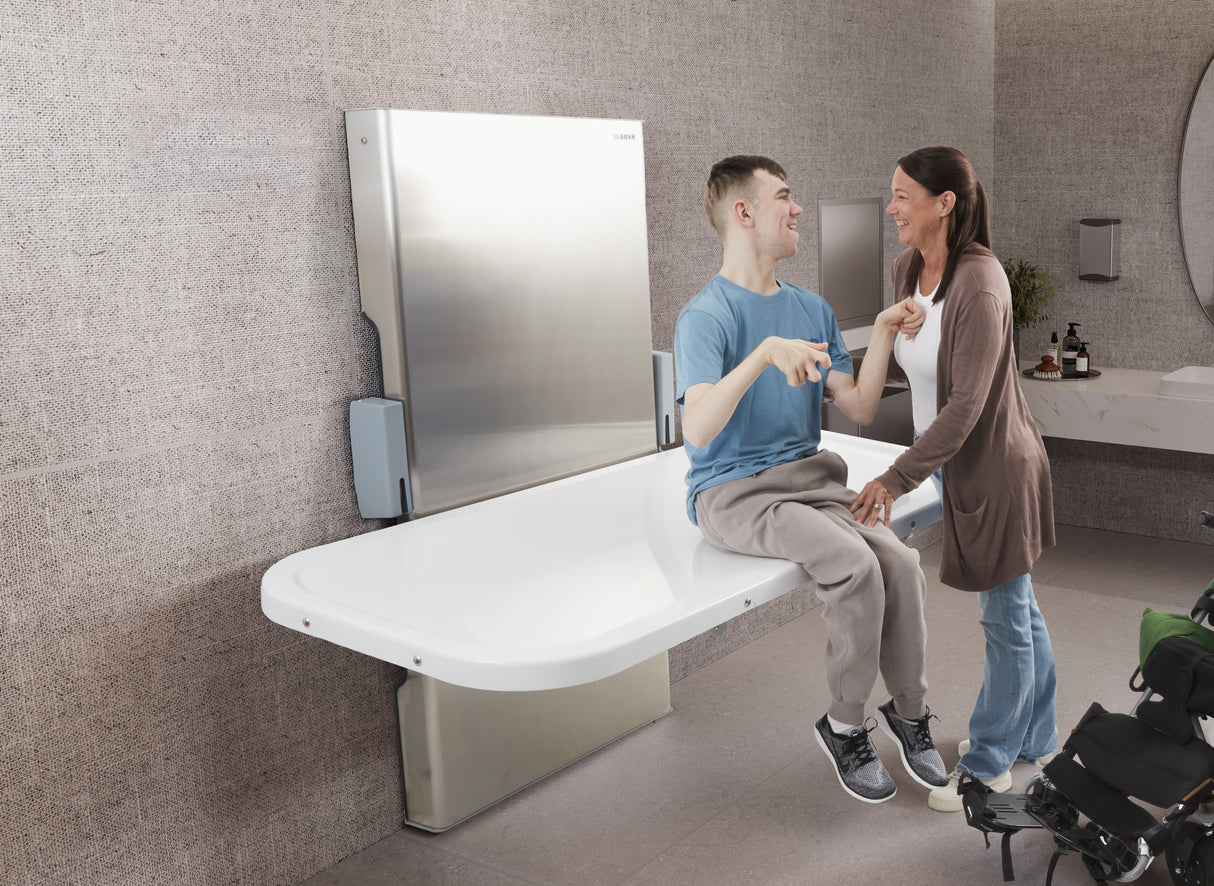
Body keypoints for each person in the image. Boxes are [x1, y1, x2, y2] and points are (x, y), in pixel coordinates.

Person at [674, 155, 947, 804]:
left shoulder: (811, 309)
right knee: (855, 563)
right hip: (735, 492)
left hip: (812, 484)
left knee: (902, 564)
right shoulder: (706, 316)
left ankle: (908, 713)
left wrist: (880, 331)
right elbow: (699, 429)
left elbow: (855, 404)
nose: (798, 210)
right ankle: (845, 723)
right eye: (784, 198)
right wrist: (765, 356)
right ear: (744, 213)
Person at [849, 145, 1058, 813]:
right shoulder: (907, 268)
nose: (892, 208)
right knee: (1018, 606)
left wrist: (897, 476)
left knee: (1004, 616)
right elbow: (922, 370)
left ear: (946, 203)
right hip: (952, 463)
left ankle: (993, 762)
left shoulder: (982, 280)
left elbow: (966, 404)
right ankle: (1038, 734)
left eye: (904, 195)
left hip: (996, 467)